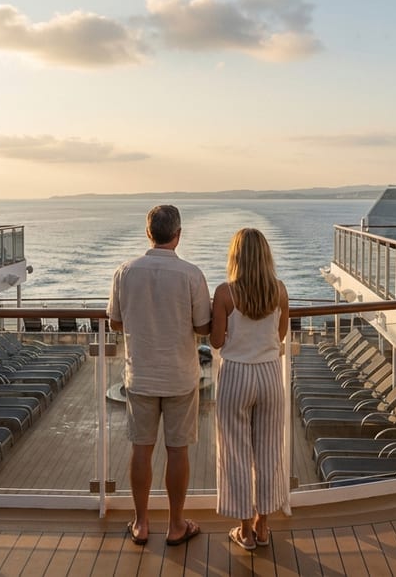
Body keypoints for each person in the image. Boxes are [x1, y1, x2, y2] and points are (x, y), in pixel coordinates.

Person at [107, 205, 211, 547]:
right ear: (178, 235)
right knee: (177, 451)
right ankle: (177, 524)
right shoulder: (192, 275)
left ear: (148, 233)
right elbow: (202, 326)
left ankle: (140, 523)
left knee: (141, 450)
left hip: (141, 375)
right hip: (181, 376)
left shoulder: (125, 272)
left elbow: (115, 322)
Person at [209, 228, 289, 551]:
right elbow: (280, 336)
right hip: (270, 374)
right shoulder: (279, 291)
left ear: (236, 257)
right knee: (269, 452)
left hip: (236, 375)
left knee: (235, 453)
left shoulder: (225, 294)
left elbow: (215, 341)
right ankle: (264, 525)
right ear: (266, 256)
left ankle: (244, 529)